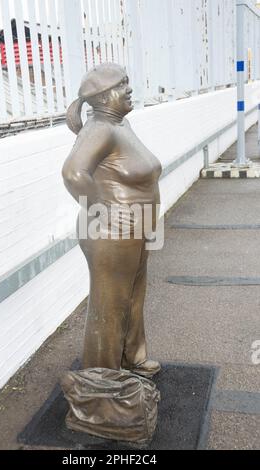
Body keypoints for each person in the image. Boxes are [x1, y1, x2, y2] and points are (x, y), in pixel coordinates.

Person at [62, 63, 162, 378]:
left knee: (133, 294)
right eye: (122, 85)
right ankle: (101, 380)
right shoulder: (100, 129)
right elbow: (73, 173)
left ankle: (133, 357)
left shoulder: (121, 126)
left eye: (127, 81)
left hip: (137, 227)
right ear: (104, 98)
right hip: (112, 231)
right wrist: (101, 208)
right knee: (110, 305)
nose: (129, 89)